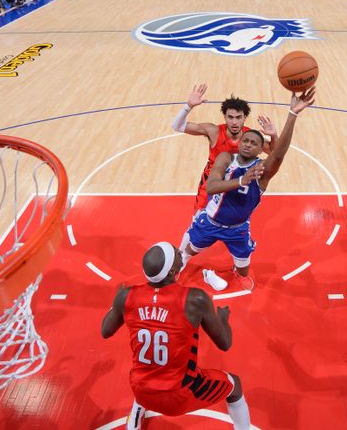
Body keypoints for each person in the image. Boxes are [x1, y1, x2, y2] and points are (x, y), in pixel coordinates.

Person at [101, 242, 251, 430]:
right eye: (176, 253)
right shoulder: (195, 299)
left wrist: (117, 304)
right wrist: (223, 319)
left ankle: (136, 415)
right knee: (234, 385)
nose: (180, 252)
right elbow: (225, 343)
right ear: (172, 272)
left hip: (140, 389)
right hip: (178, 395)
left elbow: (105, 331)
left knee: (149, 371)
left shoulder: (125, 295)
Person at [182, 89, 316, 290]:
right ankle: (180, 258)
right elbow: (211, 187)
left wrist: (293, 114)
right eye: (245, 140)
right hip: (209, 222)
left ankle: (237, 272)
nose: (247, 144)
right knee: (189, 250)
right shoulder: (225, 158)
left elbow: (279, 153)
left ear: (260, 149)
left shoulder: (262, 172)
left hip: (238, 229)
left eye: (254, 143)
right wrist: (241, 181)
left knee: (243, 268)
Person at [172, 84, 278, 213]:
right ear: (225, 117)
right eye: (230, 117)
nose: (234, 122)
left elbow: (274, 154)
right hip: (211, 181)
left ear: (245, 117)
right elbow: (177, 126)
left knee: (229, 223)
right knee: (199, 219)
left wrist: (273, 136)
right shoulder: (214, 131)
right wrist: (188, 106)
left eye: (238, 117)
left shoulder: (250, 136)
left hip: (236, 182)